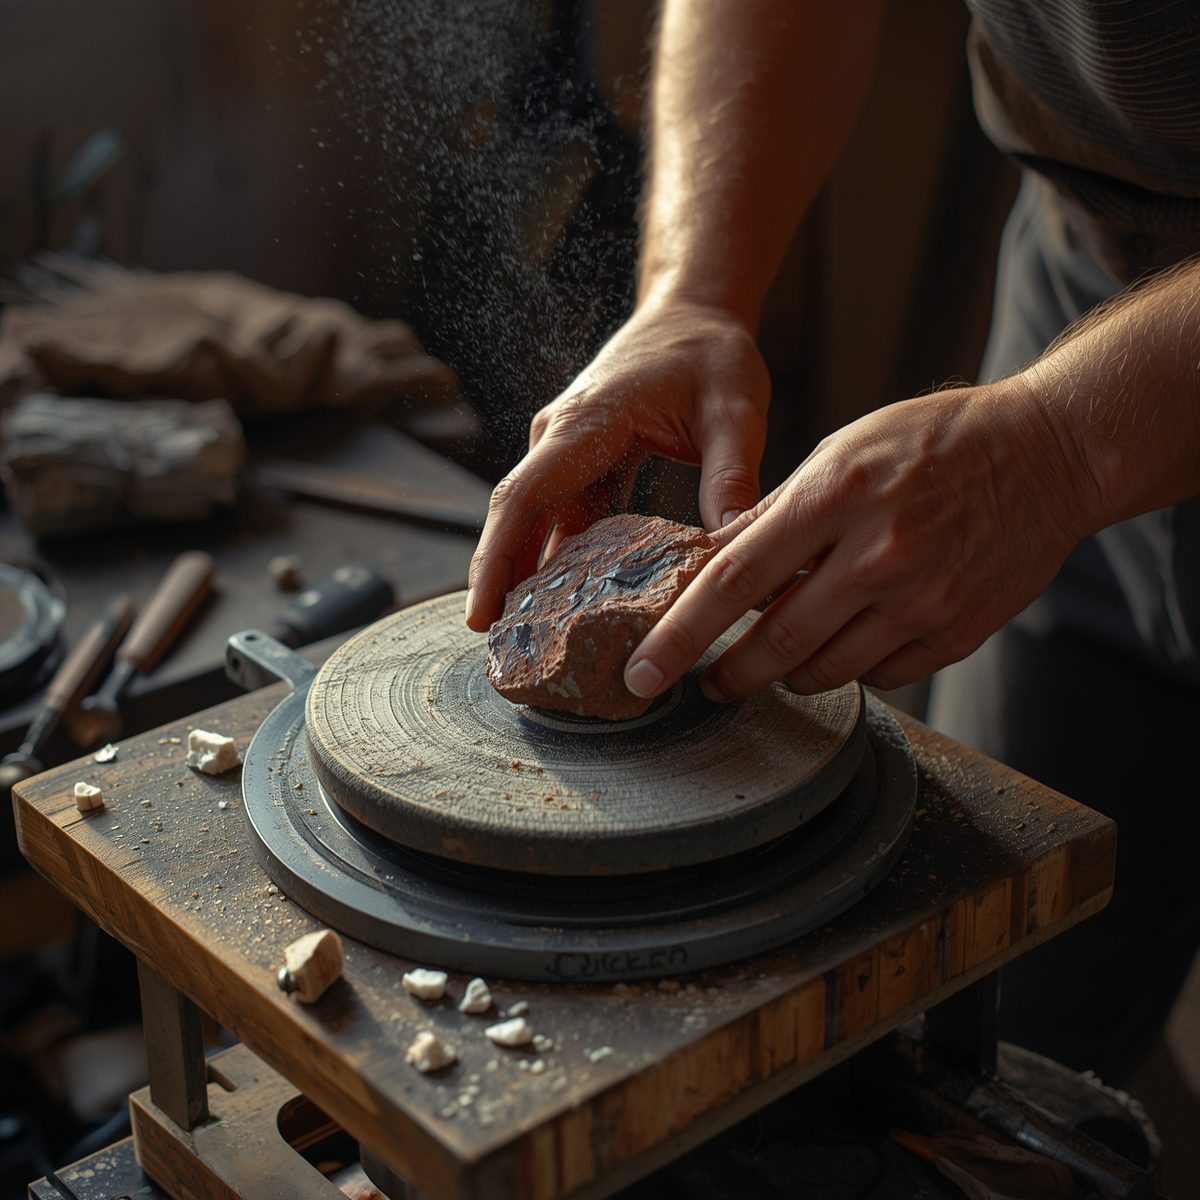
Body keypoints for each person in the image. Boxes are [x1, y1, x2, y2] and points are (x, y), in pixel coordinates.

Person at [467, 1, 1200, 1085]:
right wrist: (692, 291)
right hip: (1091, 284)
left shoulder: (1048, 448)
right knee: (995, 996)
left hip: (1100, 394)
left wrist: (1059, 448)